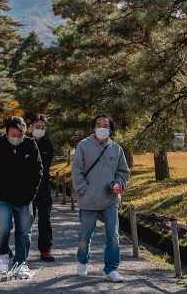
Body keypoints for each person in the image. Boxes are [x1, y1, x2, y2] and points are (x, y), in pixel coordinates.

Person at [0, 116, 43, 280]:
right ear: (7, 132)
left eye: (20, 135)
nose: (17, 138)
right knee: (2, 228)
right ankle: (4, 256)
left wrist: (32, 192)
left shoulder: (30, 144)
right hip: (2, 195)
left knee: (24, 232)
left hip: (25, 198)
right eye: (13, 134)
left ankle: (21, 263)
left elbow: (39, 169)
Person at [71, 114, 130, 283]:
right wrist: (84, 190)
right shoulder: (83, 145)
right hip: (88, 200)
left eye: (106, 125)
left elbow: (123, 172)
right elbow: (76, 171)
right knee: (85, 236)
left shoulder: (116, 149)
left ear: (110, 128)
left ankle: (112, 268)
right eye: (98, 125)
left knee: (113, 235)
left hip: (110, 200)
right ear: (93, 128)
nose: (102, 128)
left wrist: (118, 184)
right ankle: (82, 261)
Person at [30, 114, 55, 261]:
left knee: (45, 219)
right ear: (31, 126)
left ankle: (45, 249)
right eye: (37, 127)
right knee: (26, 220)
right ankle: (23, 249)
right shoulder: (24, 142)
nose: (40, 129)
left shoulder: (47, 145)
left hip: (44, 186)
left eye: (42, 127)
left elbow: (46, 165)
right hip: (27, 188)